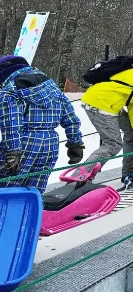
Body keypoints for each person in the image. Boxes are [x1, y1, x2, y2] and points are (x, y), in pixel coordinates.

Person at [0, 56, 84, 194]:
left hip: (23, 143)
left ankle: (5, 214)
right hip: (50, 144)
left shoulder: (10, 92)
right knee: (35, 188)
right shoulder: (51, 87)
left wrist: (12, 152)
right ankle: (30, 213)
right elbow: (70, 117)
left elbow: (11, 125)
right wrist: (75, 142)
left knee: (7, 187)